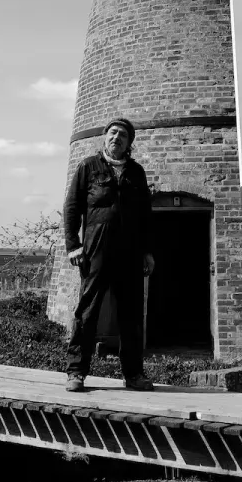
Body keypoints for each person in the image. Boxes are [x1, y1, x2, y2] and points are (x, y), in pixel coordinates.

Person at [63, 117, 155, 392]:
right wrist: (73, 245)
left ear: (129, 144)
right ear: (104, 137)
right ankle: (76, 372)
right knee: (88, 310)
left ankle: (134, 374)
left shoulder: (136, 172)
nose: (117, 138)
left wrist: (147, 251)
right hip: (96, 249)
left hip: (130, 251)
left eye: (123, 136)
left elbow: (145, 215)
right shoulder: (88, 167)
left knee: (131, 315)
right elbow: (72, 207)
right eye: (113, 133)